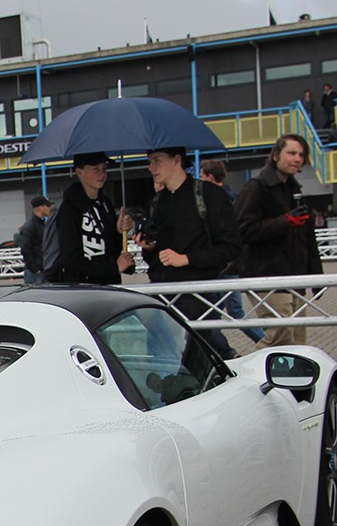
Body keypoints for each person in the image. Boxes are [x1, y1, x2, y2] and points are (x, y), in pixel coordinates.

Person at [138, 147, 243, 359]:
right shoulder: (157, 202)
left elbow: (231, 247)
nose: (151, 167)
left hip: (197, 296)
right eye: (150, 161)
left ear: (177, 160)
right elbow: (156, 256)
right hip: (160, 298)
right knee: (159, 363)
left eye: (157, 160)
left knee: (195, 362)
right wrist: (148, 248)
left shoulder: (209, 195)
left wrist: (187, 259)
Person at [234, 134, 322, 347]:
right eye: (291, 153)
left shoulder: (294, 188)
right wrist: (285, 222)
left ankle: (294, 379)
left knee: (298, 340)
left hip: (296, 276)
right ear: (275, 155)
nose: (297, 159)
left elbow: (308, 238)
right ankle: (242, 374)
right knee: (280, 336)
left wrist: (316, 277)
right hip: (267, 274)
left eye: (301, 155)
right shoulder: (256, 187)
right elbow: (242, 229)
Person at [200, 160, 263, 343]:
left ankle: (265, 342)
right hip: (227, 264)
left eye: (202, 176)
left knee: (233, 312)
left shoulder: (217, 201)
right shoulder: (234, 197)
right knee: (212, 313)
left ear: (210, 177)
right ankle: (217, 348)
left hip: (226, 266)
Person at [47, 153, 132, 285]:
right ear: (79, 172)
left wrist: (119, 231)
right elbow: (71, 260)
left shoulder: (105, 203)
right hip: (83, 288)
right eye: (95, 169)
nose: (102, 174)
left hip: (110, 284)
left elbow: (110, 248)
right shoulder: (69, 208)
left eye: (104, 169)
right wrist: (113, 268)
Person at [18, 196, 51, 285]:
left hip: (42, 270)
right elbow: (25, 249)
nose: (49, 208)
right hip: (35, 273)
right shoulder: (30, 226)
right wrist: (35, 269)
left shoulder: (42, 225)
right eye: (47, 206)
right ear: (40, 208)